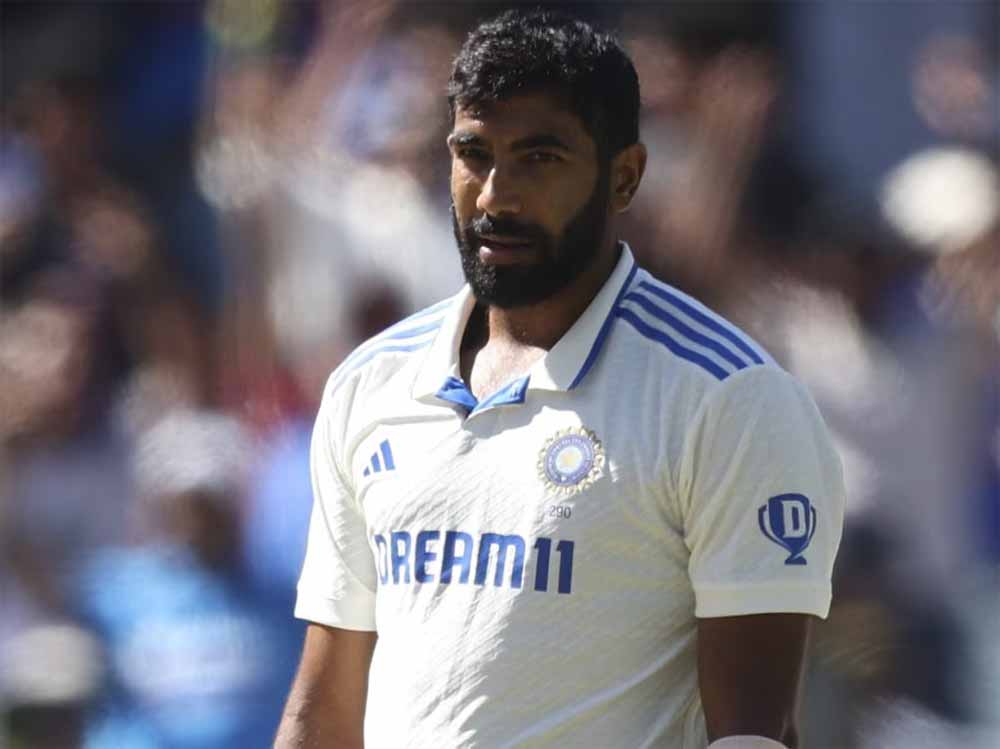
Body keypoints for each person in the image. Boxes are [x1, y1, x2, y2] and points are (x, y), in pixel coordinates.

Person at [276, 10, 844, 749]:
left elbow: (754, 734)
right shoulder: (370, 384)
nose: (495, 195)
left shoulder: (728, 398)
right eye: (473, 154)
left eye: (539, 157)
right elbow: (323, 708)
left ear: (624, 176)